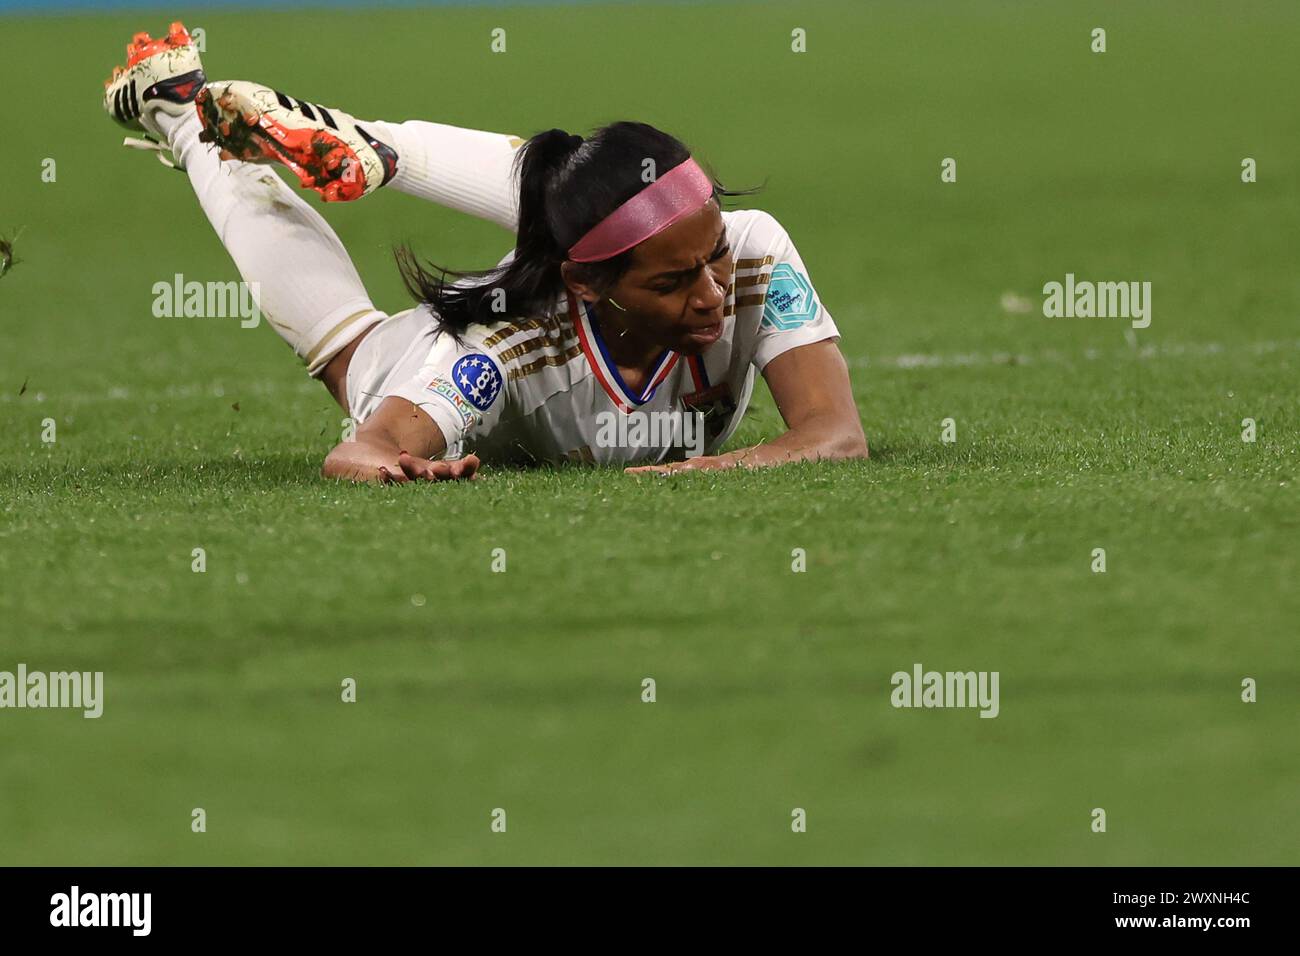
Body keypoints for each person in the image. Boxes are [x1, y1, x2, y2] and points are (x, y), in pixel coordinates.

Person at [103, 22, 867, 482]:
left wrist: (703, 474)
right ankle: (186, 119)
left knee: (576, 193)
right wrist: (396, 465)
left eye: (713, 259)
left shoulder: (751, 250)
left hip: (567, 268)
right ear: (591, 288)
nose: (710, 296)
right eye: (673, 282)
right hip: (415, 355)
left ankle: (377, 147)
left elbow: (834, 436)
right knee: (347, 344)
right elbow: (362, 451)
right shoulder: (502, 351)